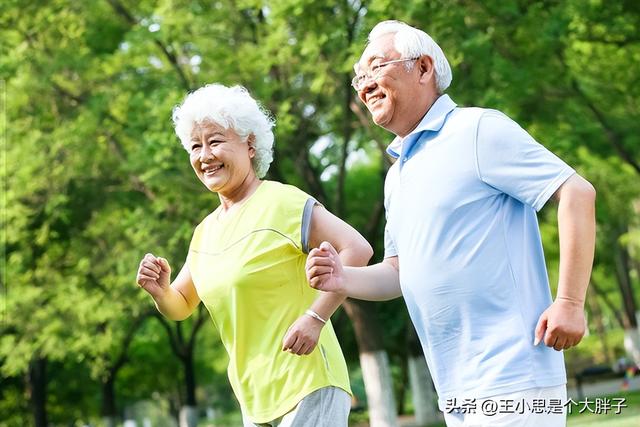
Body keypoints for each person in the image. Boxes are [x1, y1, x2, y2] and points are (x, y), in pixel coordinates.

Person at [306, 20, 596, 427]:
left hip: (513, 376)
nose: (365, 84)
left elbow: (577, 193)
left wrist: (569, 303)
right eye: (359, 77)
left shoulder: (477, 129)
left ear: (423, 68)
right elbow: (398, 272)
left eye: (376, 67)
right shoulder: (397, 174)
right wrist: (343, 278)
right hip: (455, 391)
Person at [136, 83, 373, 427]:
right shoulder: (205, 232)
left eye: (215, 141)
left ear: (250, 145)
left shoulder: (282, 201)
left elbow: (357, 249)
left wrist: (316, 317)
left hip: (308, 382)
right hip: (254, 398)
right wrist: (160, 292)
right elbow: (182, 304)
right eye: (196, 146)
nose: (205, 155)